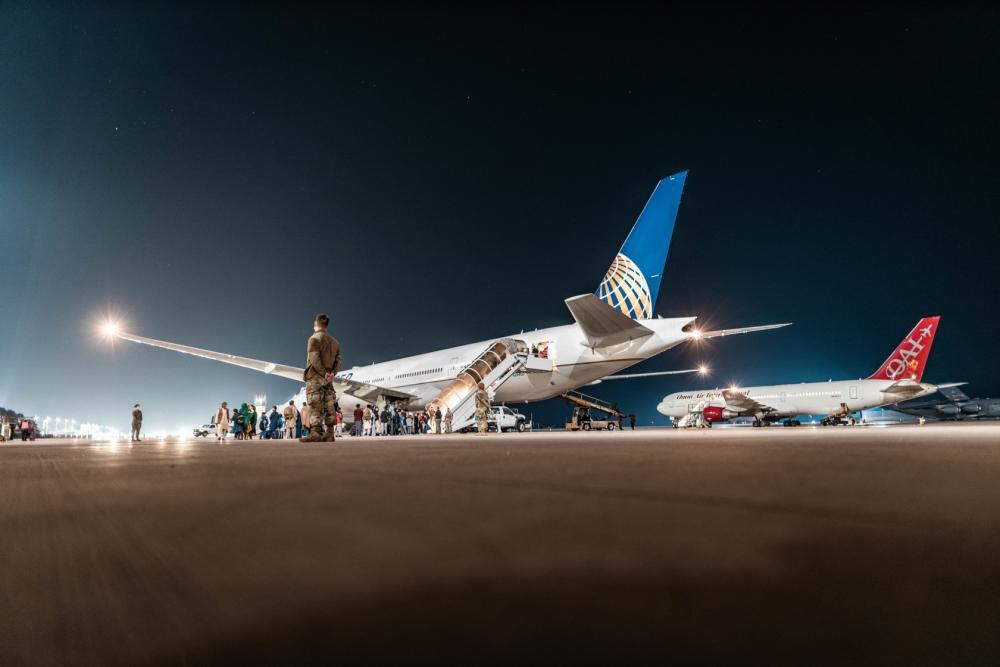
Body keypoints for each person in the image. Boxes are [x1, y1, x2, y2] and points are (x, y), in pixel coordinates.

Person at [300, 313, 342, 443]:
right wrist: (332, 374)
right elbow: (338, 361)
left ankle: (315, 433)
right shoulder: (335, 342)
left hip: (316, 378)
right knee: (329, 405)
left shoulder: (314, 339)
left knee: (315, 405)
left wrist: (323, 373)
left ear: (316, 324)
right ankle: (330, 434)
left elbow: (314, 359)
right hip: (329, 379)